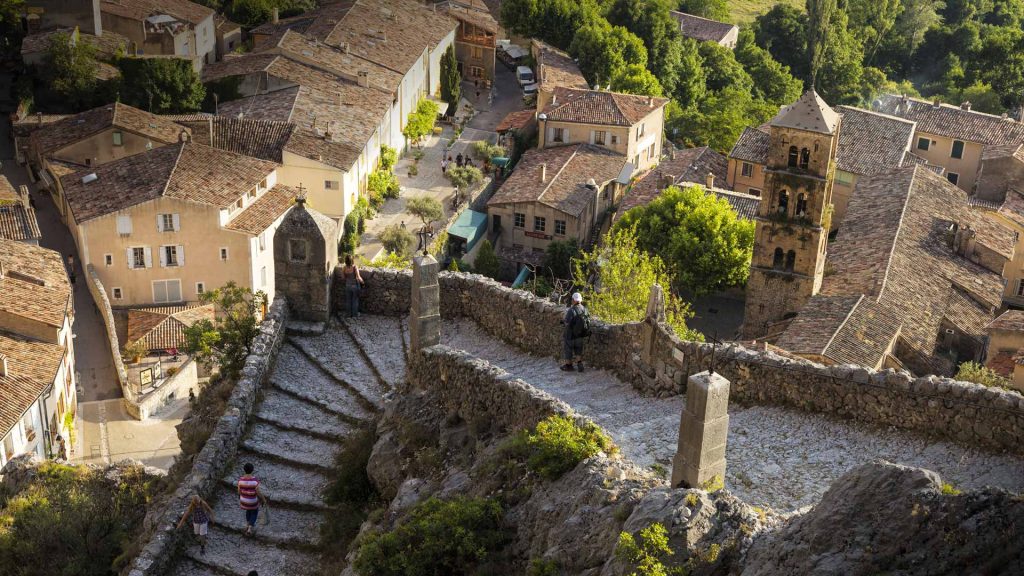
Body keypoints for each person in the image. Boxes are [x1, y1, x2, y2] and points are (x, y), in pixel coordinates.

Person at [561, 292, 590, 372]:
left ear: (573, 300)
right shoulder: (585, 309)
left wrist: (563, 321)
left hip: (570, 335)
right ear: (580, 300)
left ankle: (568, 366)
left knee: (568, 350)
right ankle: (579, 364)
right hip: (581, 334)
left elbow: (567, 322)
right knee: (578, 349)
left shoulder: (571, 310)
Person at [238, 463, 267, 535]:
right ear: (252, 470)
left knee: (248, 510)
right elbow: (258, 493)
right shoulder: (255, 481)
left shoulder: (240, 481)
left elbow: (238, 492)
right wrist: (263, 499)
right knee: (254, 512)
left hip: (243, 501)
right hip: (252, 501)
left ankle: (247, 524)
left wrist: (242, 498)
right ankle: (250, 528)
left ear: (244, 470)